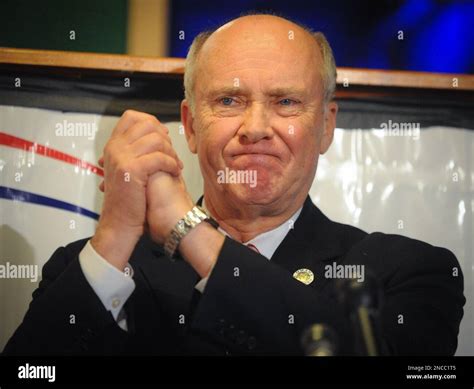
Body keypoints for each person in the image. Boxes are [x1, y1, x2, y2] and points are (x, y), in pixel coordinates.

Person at [3, 14, 465, 356]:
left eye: (286, 101)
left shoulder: (407, 272)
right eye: (229, 100)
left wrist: (185, 229)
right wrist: (115, 237)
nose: (256, 127)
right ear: (190, 125)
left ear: (325, 126)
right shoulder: (93, 265)